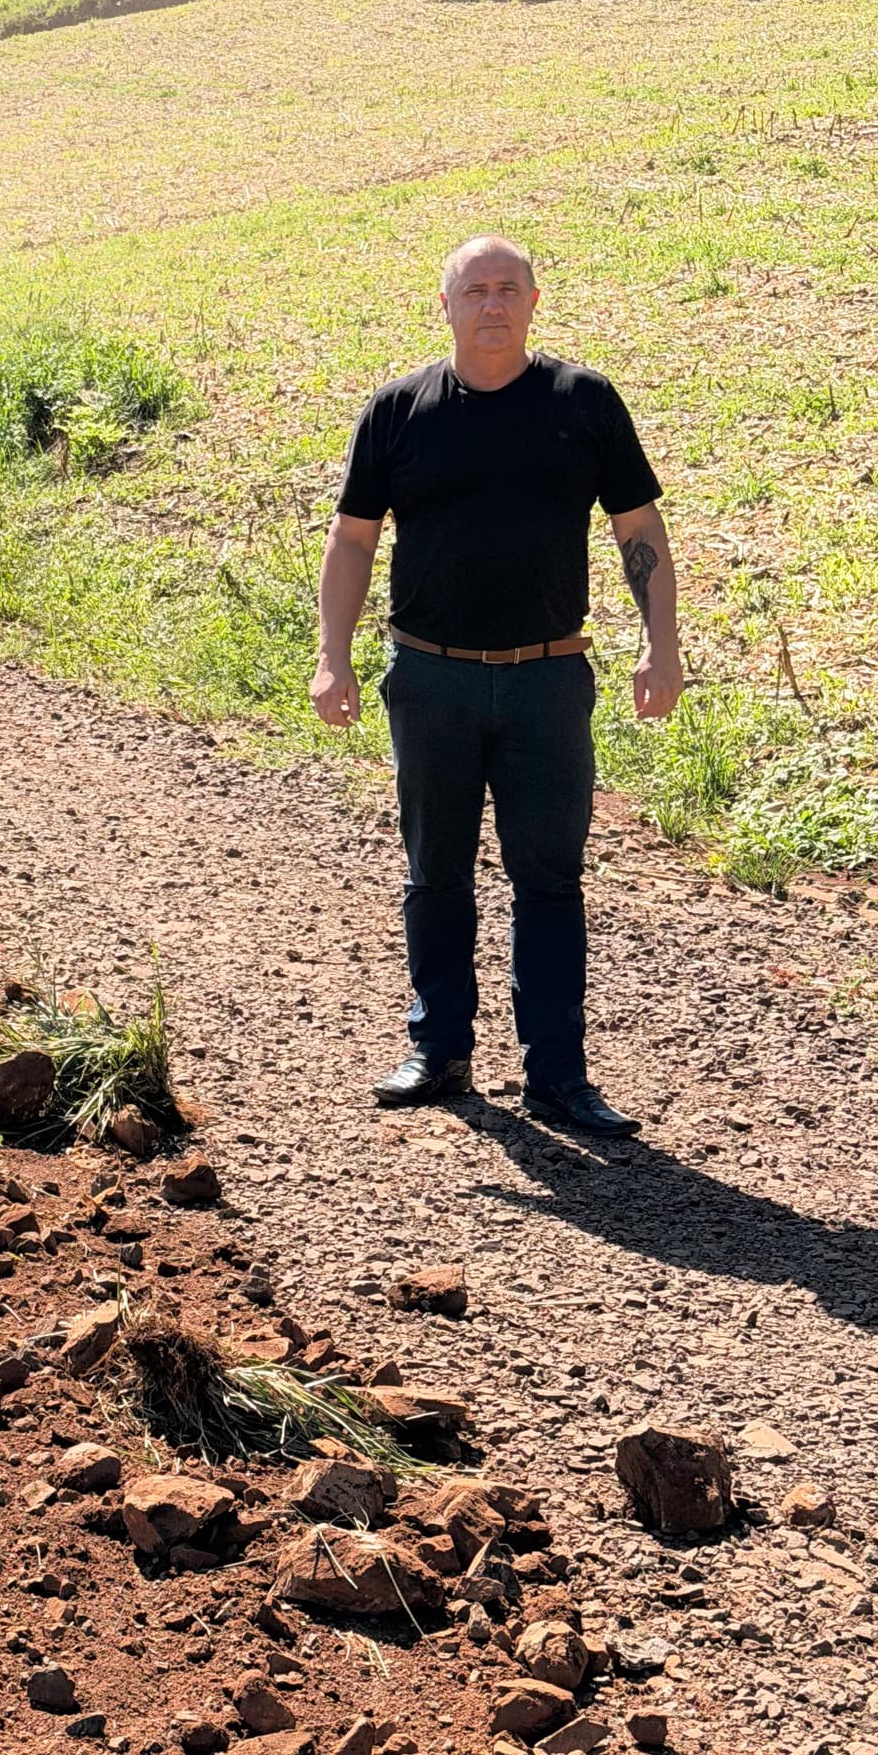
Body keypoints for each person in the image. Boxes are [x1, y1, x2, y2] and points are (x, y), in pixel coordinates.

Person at [310, 234, 682, 1138]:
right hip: (429, 677)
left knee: (548, 879)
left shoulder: (583, 403)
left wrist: (660, 644)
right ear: (446, 306)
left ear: (533, 301)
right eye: (474, 289)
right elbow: (353, 538)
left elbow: (640, 527)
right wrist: (333, 653)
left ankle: (557, 1074)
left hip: (549, 680)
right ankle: (439, 1051)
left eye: (507, 288)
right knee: (434, 873)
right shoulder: (398, 411)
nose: (492, 304)